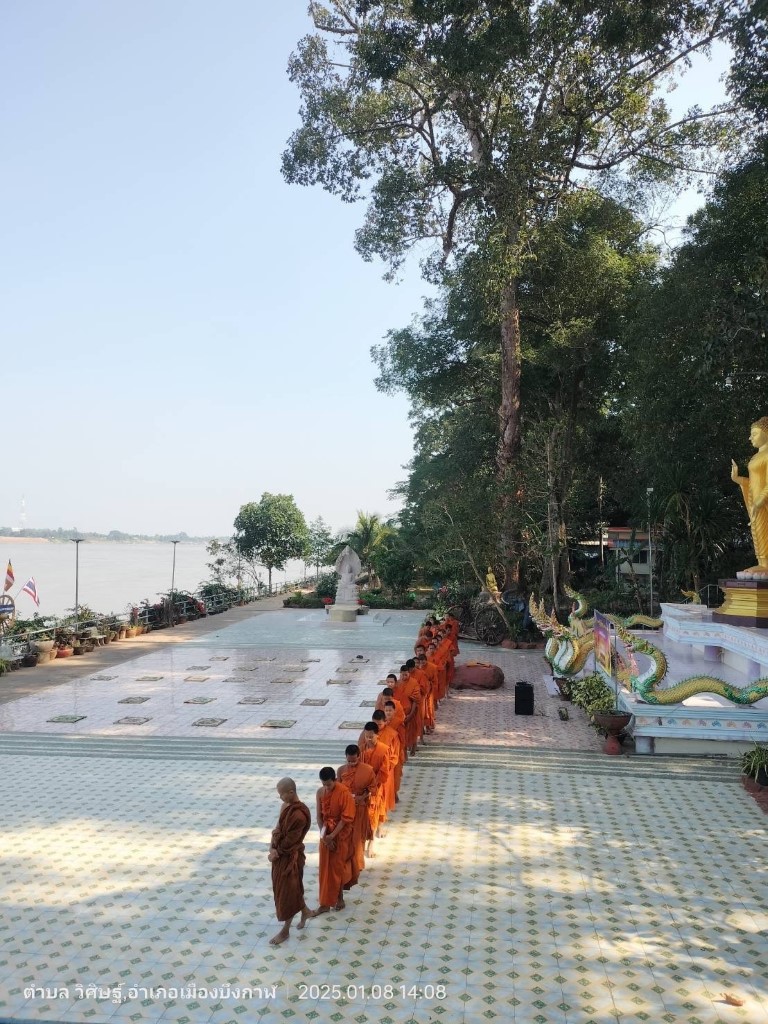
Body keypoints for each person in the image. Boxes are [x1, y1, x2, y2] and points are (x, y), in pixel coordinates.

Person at [267, 777, 315, 946]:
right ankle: (305, 911)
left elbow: (289, 842)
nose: (280, 797)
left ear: (291, 792)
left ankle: (285, 931)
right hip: (279, 855)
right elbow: (277, 829)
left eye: (282, 794)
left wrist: (277, 853)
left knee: (288, 892)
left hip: (290, 857)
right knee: (292, 889)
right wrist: (271, 848)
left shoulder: (299, 815)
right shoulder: (285, 807)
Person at [315, 767, 355, 913]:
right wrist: (325, 837)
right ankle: (325, 902)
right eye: (324, 784)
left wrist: (332, 836)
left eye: (329, 784)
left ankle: (339, 898)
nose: (326, 787)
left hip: (340, 834)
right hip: (326, 834)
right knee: (325, 868)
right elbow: (319, 817)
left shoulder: (344, 793)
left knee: (337, 867)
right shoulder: (320, 792)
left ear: (335, 780)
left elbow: (346, 818)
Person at [731, 416, 768, 576]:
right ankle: (763, 563)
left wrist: (761, 500)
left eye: (754, 434)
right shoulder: (756, 456)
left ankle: (765, 565)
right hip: (756, 501)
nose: (750, 438)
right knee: (758, 532)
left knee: (764, 529)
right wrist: (738, 479)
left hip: (763, 501)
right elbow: (754, 482)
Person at [336, 744, 376, 885]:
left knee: (357, 837)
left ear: (359, 756)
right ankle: (346, 863)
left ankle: (358, 863)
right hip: (345, 808)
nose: (352, 763)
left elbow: (372, 789)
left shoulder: (368, 770)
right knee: (345, 836)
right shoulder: (341, 770)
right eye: (349, 761)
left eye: (354, 761)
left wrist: (363, 796)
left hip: (359, 807)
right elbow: (337, 788)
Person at [360, 722, 391, 856]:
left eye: (371, 736)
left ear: (377, 735)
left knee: (373, 815)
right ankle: (362, 841)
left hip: (376, 788)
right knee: (363, 817)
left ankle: (371, 844)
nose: (368, 739)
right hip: (362, 787)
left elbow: (384, 771)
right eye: (366, 736)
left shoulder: (383, 750)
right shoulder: (361, 749)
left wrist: (372, 786)